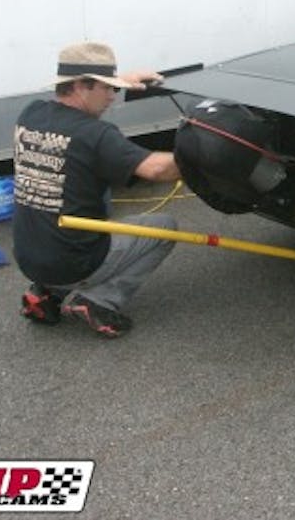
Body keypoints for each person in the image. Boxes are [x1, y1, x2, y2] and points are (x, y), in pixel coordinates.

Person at [12, 41, 181, 338]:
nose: (113, 98)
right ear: (81, 86)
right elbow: (157, 168)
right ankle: (98, 301)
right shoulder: (96, 135)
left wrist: (122, 80)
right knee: (165, 228)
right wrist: (209, 159)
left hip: (29, 255)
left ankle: (46, 293)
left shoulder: (31, 114)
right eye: (108, 89)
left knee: (80, 191)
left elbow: (84, 98)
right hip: (73, 259)